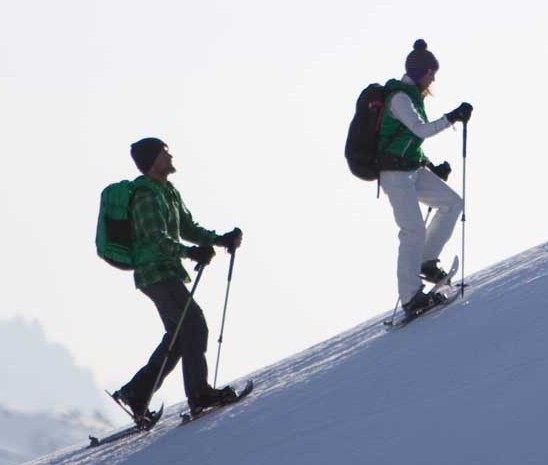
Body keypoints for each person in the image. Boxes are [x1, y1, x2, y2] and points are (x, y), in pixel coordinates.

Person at [113, 137, 243, 421]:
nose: (169, 155)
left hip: (165, 272)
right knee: (194, 324)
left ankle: (136, 392)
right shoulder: (146, 195)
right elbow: (155, 239)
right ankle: (199, 394)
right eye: (164, 152)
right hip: (155, 273)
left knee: (180, 336)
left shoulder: (167, 191)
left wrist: (219, 240)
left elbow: (188, 227)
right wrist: (189, 252)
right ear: (152, 161)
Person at [378, 39, 472, 316]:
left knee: (452, 203)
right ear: (419, 72)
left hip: (411, 169)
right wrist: (452, 117)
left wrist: (430, 167)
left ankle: (426, 262)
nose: (433, 78)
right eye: (431, 72)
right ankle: (410, 299)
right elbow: (420, 130)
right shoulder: (400, 98)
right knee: (413, 230)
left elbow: (409, 140)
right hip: (394, 174)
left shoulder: (412, 97)